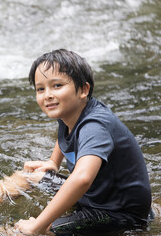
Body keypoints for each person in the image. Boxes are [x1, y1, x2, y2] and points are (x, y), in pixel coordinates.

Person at [14, 49, 152, 235]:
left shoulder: (95, 125)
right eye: (41, 88)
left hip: (117, 213)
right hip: (92, 197)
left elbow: (82, 178)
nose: (47, 95)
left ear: (84, 90)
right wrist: (53, 162)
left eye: (57, 85)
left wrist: (37, 226)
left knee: (30, 231)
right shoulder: (68, 113)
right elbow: (65, 132)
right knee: (26, 175)